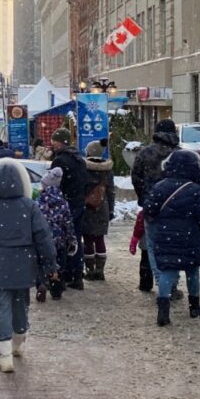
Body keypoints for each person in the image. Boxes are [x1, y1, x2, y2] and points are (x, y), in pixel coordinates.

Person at [0, 158, 58, 373]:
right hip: (24, 263)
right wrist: (50, 264)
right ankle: (18, 340)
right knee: (20, 302)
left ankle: (5, 354)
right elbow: (43, 237)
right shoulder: (30, 206)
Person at [143, 150, 200, 326]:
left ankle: (163, 310)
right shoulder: (196, 190)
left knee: (167, 270)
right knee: (192, 270)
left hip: (166, 235)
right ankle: (194, 306)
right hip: (191, 236)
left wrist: (160, 224)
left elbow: (149, 210)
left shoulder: (160, 186)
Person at [130, 119, 180, 293]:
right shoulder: (179, 154)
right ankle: (170, 284)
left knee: (149, 244)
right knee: (171, 246)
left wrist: (143, 197)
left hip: (151, 205)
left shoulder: (145, 153)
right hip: (174, 207)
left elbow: (135, 177)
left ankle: (146, 280)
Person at [47, 128, 89, 290]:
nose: (53, 144)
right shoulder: (79, 158)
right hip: (78, 203)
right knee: (76, 239)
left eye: (55, 141)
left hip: (65, 206)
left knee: (61, 241)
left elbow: (54, 185)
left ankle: (62, 276)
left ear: (61, 142)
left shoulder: (60, 161)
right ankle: (77, 275)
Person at [36, 167, 77, 301]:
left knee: (41, 263)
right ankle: (57, 289)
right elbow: (68, 223)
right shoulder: (63, 202)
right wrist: (71, 239)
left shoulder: (39, 201)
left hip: (43, 240)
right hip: (60, 240)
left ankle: (41, 284)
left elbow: (34, 221)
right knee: (59, 264)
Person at [80, 140, 116, 281]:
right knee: (100, 239)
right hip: (103, 208)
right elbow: (111, 192)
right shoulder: (108, 170)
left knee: (88, 239)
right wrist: (111, 210)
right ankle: (100, 271)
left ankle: (90, 270)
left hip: (87, 207)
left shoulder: (84, 168)